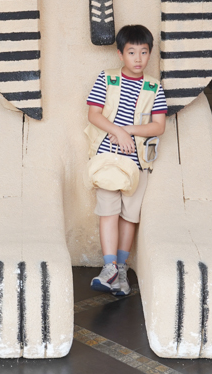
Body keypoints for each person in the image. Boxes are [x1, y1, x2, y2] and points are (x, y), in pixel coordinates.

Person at [85, 24, 166, 296]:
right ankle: (109, 267)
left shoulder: (154, 87)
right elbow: (94, 115)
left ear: (150, 53)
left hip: (138, 164)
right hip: (108, 160)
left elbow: (158, 126)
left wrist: (128, 131)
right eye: (132, 52)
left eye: (144, 52)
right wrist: (117, 131)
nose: (138, 58)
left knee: (129, 217)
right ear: (120, 54)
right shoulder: (107, 79)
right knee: (107, 212)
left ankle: (121, 271)